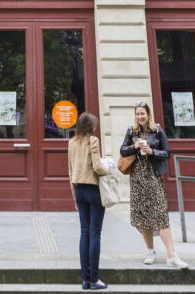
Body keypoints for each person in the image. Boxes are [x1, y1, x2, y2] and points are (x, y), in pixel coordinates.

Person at [119, 102, 188, 269]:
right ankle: (150, 251)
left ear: (148, 114)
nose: (140, 117)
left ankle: (171, 255)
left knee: (160, 215)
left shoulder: (157, 130)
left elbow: (167, 153)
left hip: (153, 177)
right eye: (137, 114)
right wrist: (134, 146)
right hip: (137, 179)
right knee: (143, 217)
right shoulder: (131, 131)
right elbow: (123, 151)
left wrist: (152, 152)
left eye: (142, 113)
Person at [69, 111, 109, 291]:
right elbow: (97, 166)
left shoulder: (71, 142)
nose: (96, 127)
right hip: (93, 190)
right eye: (94, 124)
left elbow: (70, 171)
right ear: (90, 126)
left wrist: (74, 196)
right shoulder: (92, 140)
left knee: (84, 233)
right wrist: (109, 168)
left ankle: (85, 280)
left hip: (79, 191)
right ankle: (94, 279)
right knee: (95, 234)